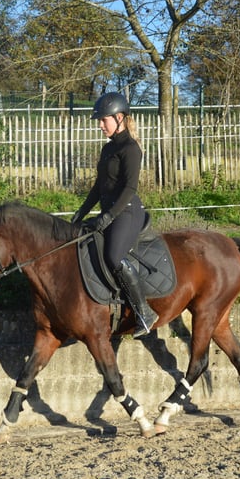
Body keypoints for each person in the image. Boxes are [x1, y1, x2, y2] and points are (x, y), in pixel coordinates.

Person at [71, 92, 159, 338]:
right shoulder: (108, 148)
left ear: (119, 118)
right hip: (109, 210)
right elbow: (99, 186)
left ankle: (145, 312)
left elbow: (130, 188)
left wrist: (108, 217)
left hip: (127, 212)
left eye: (103, 120)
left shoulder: (130, 148)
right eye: (99, 121)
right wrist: (82, 212)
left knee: (113, 256)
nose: (100, 125)